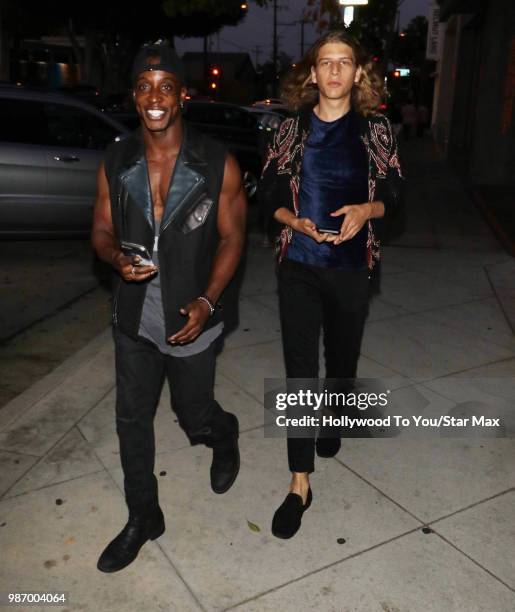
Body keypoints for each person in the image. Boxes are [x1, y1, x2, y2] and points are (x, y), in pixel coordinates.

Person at [92, 41, 247, 572]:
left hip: (191, 316)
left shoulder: (216, 162)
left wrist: (208, 300)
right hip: (134, 315)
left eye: (164, 87)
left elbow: (232, 238)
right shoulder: (117, 160)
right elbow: (101, 229)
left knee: (193, 415)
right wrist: (115, 257)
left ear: (182, 95)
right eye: (143, 86)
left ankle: (224, 435)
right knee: (130, 420)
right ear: (134, 97)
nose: (154, 97)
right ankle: (143, 516)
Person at [258, 30, 404, 539]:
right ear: (313, 73)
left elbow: (396, 198)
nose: (336, 71)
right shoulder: (288, 130)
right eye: (326, 62)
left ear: (358, 72)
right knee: (299, 371)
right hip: (297, 262)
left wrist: (368, 210)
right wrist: (291, 221)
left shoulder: (377, 130)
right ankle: (300, 482)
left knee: (341, 360)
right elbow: (268, 197)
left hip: (350, 268)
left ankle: (338, 413)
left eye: (345, 62)